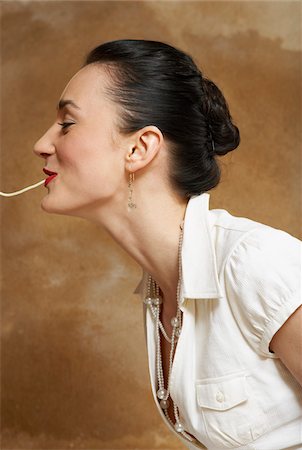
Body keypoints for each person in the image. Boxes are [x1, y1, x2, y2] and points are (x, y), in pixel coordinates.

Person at [33, 39, 302, 450]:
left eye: (67, 124)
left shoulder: (254, 263)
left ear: (139, 148)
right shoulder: (159, 293)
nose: (42, 144)